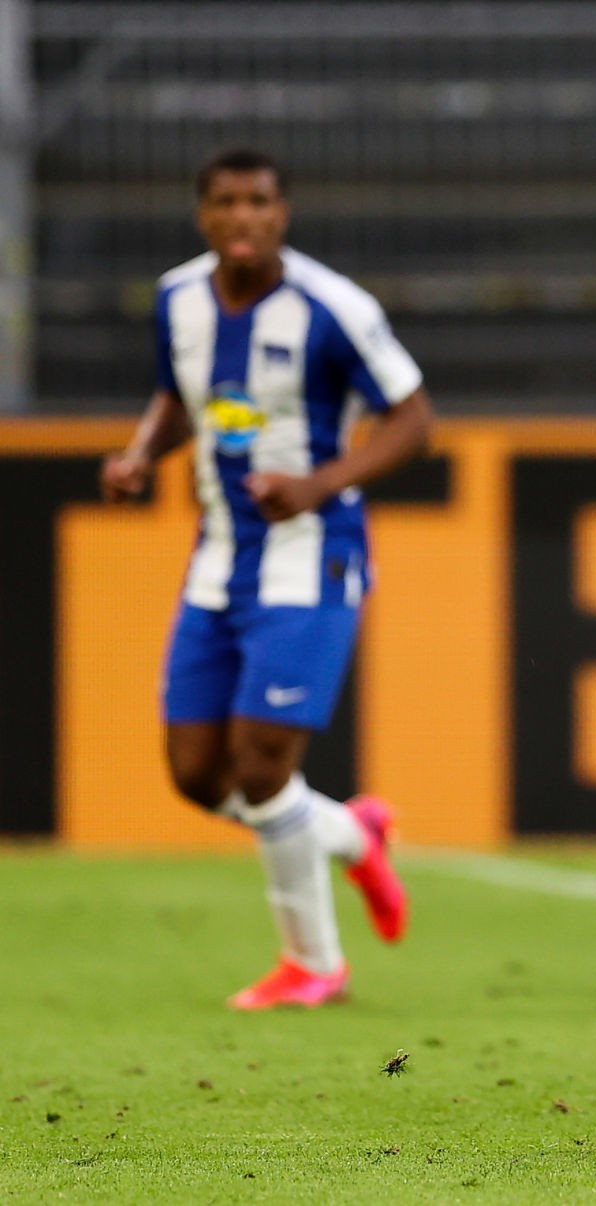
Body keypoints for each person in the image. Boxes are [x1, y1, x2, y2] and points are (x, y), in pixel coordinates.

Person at [100, 147, 432, 1009]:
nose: (242, 217)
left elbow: (414, 420)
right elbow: (184, 397)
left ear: (282, 214)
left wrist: (317, 485)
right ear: (202, 215)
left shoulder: (333, 308)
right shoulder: (178, 298)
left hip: (312, 556)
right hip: (218, 557)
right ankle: (353, 835)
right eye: (225, 203)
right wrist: (141, 454)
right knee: (196, 774)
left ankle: (314, 965)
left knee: (259, 764)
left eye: (258, 202)